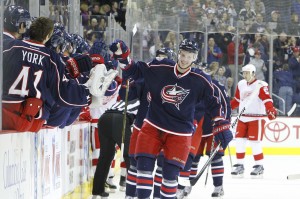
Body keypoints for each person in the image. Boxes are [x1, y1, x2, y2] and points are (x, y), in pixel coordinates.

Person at [109, 38, 233, 199]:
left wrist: (221, 123)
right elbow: (135, 70)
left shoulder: (201, 80)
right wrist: (123, 57)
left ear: (194, 58)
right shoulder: (161, 67)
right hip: (152, 127)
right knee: (143, 168)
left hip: (180, 134)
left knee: (169, 176)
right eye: (183, 54)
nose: (185, 59)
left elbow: (214, 102)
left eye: (189, 56)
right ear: (178, 54)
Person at [176, 62, 232, 199]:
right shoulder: (190, 85)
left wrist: (226, 123)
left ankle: (218, 187)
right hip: (195, 127)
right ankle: (184, 186)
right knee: (190, 157)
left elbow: (226, 105)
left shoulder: (217, 86)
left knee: (216, 157)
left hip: (213, 127)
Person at [230, 64, 277, 178]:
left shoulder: (261, 85)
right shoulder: (241, 84)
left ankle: (259, 166)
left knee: (255, 143)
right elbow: (237, 100)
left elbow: (267, 99)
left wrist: (271, 109)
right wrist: (227, 108)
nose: (245, 75)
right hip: (242, 118)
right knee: (239, 141)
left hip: (256, 118)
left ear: (253, 73)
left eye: (247, 73)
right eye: (244, 73)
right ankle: (240, 165)